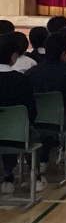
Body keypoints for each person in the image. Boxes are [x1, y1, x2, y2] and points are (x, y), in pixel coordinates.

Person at [25, 32, 66, 175]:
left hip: (33, 120)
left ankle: (43, 160)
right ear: (64, 54)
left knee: (45, 125)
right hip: (60, 119)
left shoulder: (30, 73)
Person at [0, 33, 46, 194]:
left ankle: (8, 178)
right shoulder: (22, 80)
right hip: (18, 131)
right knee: (29, 134)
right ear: (14, 57)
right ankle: (36, 177)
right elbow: (31, 110)